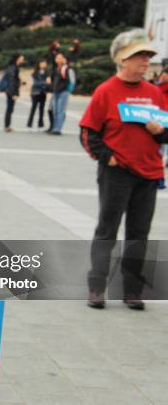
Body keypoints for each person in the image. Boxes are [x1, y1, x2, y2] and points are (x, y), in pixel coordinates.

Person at [79, 28, 168, 310]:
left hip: (149, 174)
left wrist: (159, 132)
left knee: (139, 234)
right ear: (122, 60)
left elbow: (166, 132)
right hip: (117, 173)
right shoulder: (106, 91)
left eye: (148, 57)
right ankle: (97, 288)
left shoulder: (154, 93)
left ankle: (132, 290)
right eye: (139, 56)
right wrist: (107, 158)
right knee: (107, 230)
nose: (146, 62)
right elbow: (88, 132)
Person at [47, 52, 70, 135]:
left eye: (59, 57)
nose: (57, 59)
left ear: (63, 59)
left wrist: (61, 88)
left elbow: (67, 81)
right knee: (55, 110)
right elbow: (53, 80)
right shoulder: (56, 68)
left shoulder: (65, 68)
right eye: (56, 57)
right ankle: (54, 127)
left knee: (60, 110)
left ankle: (57, 129)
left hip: (63, 92)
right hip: (55, 91)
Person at [3, 53, 24, 132]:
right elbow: (12, 81)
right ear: (18, 58)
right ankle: (7, 126)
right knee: (9, 108)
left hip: (10, 90)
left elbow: (15, 80)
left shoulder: (13, 67)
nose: (23, 59)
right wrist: (14, 94)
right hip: (11, 91)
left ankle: (7, 125)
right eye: (22, 58)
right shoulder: (14, 68)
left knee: (10, 108)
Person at [27, 59, 49, 129]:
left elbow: (48, 83)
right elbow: (36, 83)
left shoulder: (47, 73)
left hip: (43, 93)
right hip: (35, 93)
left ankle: (40, 124)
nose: (44, 65)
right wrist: (45, 82)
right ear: (39, 64)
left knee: (42, 109)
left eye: (45, 63)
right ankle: (29, 124)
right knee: (33, 108)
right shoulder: (35, 73)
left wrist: (44, 84)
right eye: (42, 63)